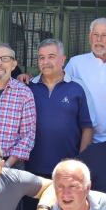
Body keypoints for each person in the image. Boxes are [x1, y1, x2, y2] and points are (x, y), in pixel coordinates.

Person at [25, 38, 94, 177]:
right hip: (31, 168)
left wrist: (79, 162)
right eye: (41, 57)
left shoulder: (78, 87)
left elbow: (88, 128)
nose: (45, 62)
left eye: (51, 57)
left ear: (63, 60)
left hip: (66, 170)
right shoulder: (29, 88)